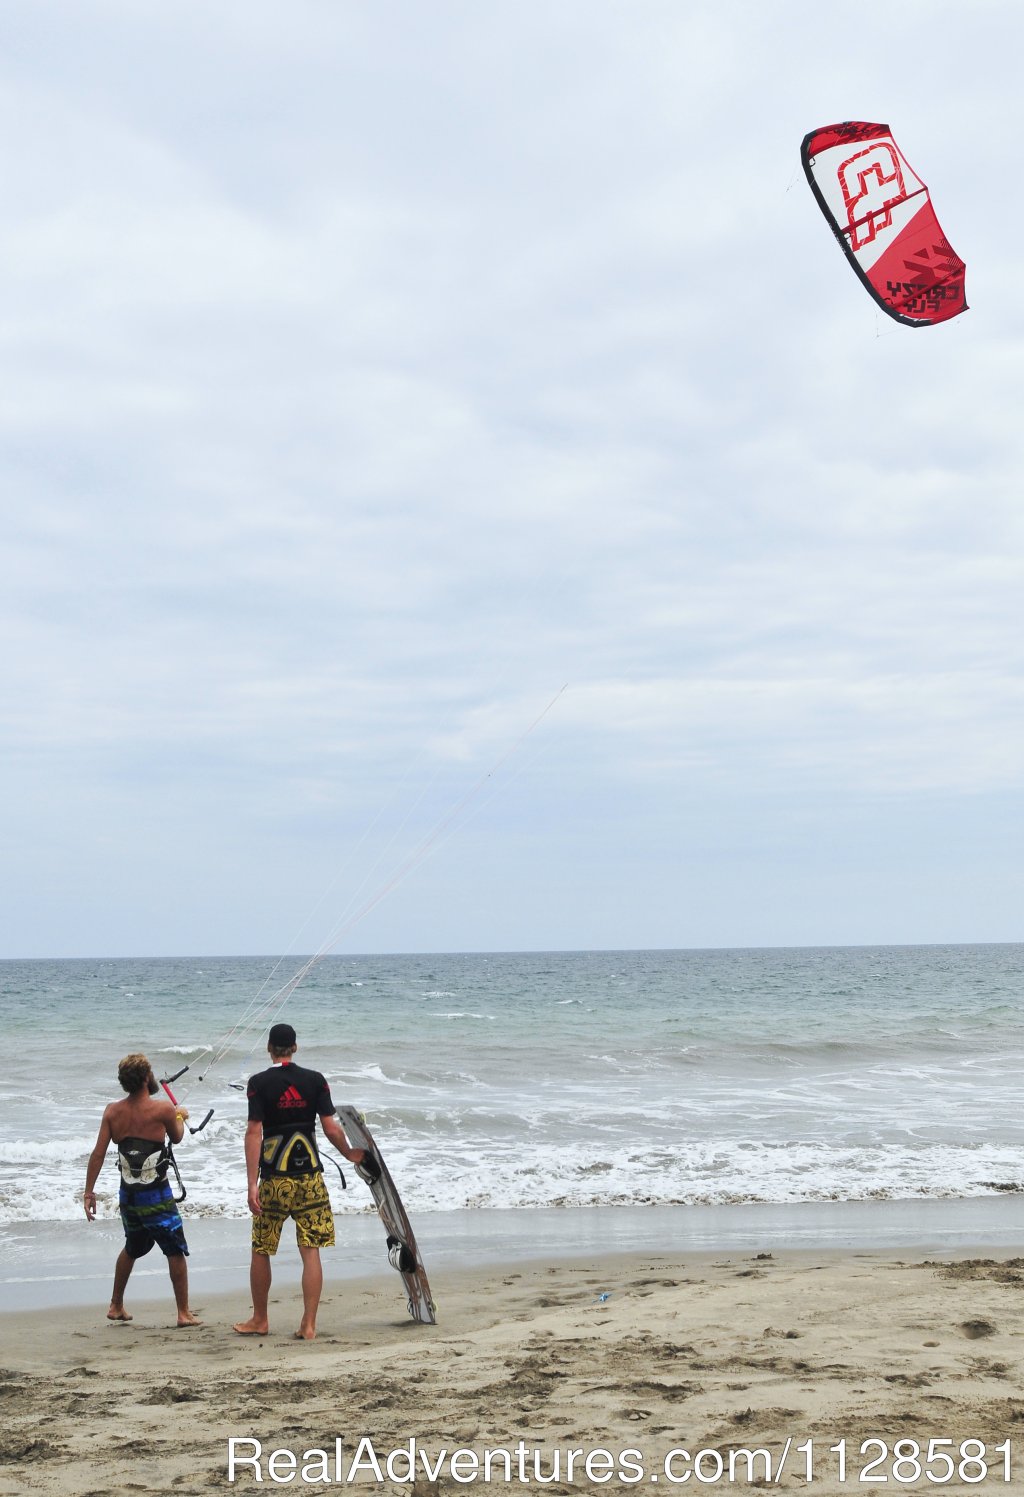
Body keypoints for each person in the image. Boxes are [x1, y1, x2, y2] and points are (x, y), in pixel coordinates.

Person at [233, 1022, 366, 1340]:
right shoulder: (315, 1080)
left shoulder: (258, 1083)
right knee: (311, 1251)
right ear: (295, 1047)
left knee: (262, 1249)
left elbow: (254, 1132)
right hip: (310, 1180)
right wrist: (349, 1153)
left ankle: (260, 1320)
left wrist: (252, 1184)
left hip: (275, 1181)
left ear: (269, 1049)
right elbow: (331, 1129)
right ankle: (308, 1325)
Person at [83, 1053, 201, 1327]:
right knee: (174, 1249)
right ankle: (183, 1313)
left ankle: (116, 1304)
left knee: (133, 1247)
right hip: (157, 1195)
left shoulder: (113, 1112)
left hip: (129, 1196)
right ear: (147, 1078)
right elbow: (177, 1137)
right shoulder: (162, 1110)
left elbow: (98, 1154)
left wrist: (89, 1192)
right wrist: (181, 1116)